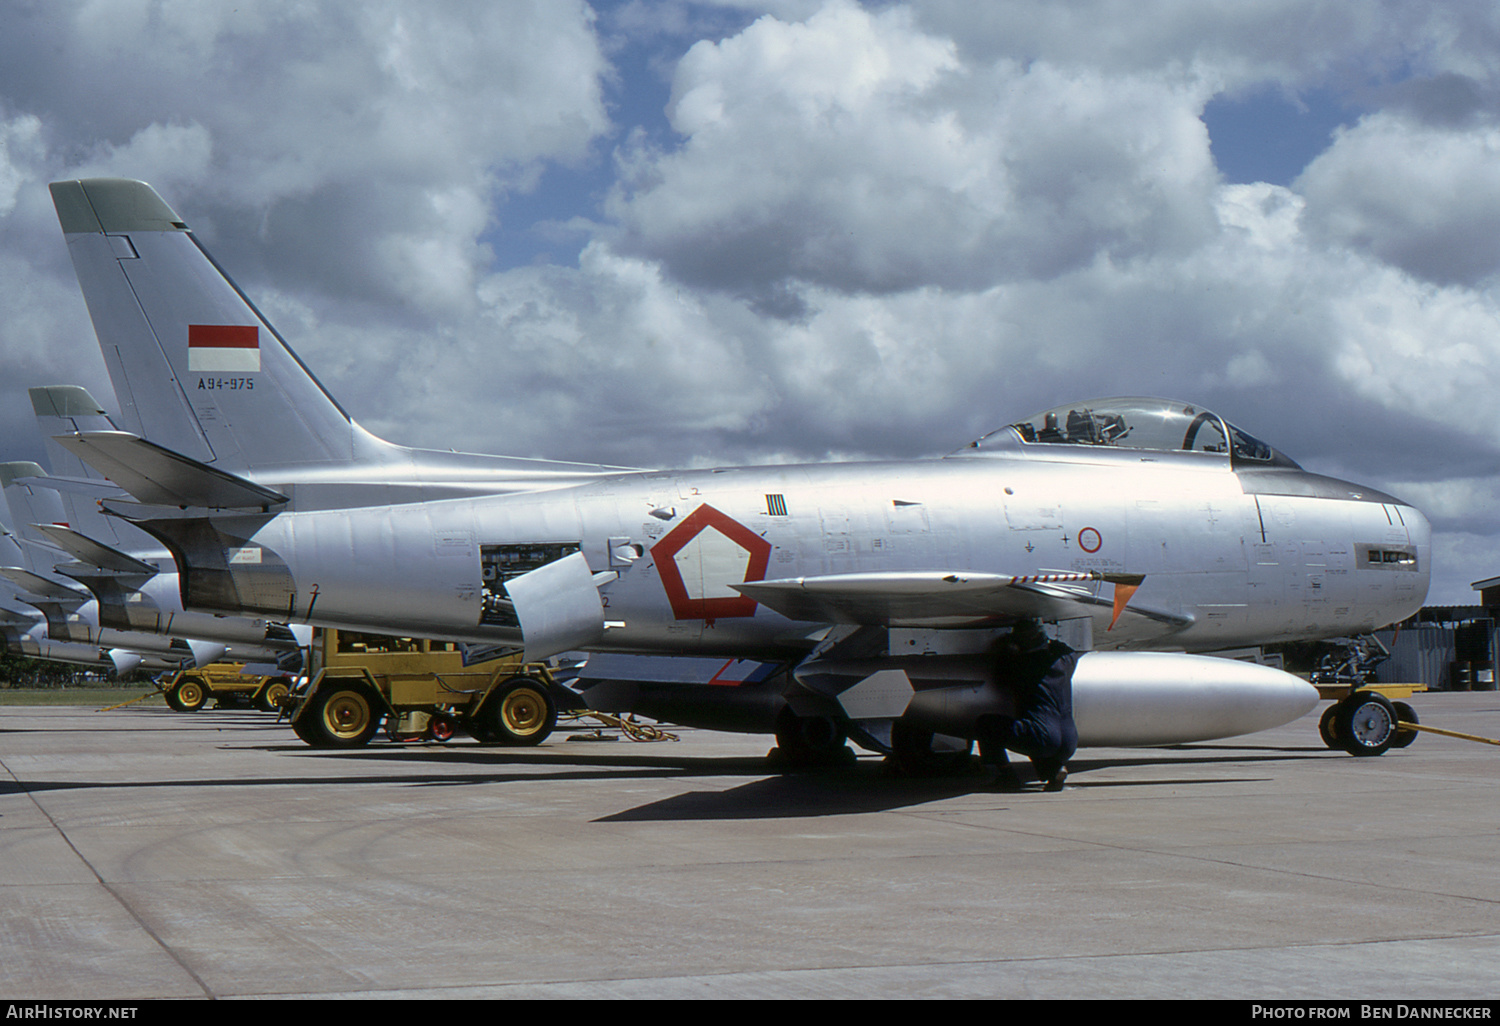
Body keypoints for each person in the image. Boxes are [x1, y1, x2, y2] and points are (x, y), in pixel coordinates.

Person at [979, 620, 1079, 792]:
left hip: (1042, 737)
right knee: (1037, 732)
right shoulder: (1063, 662)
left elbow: (999, 679)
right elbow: (1068, 650)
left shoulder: (1020, 665)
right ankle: (1054, 770)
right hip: (1069, 742)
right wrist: (1048, 641)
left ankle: (1006, 775)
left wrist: (1006, 647)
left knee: (984, 723)